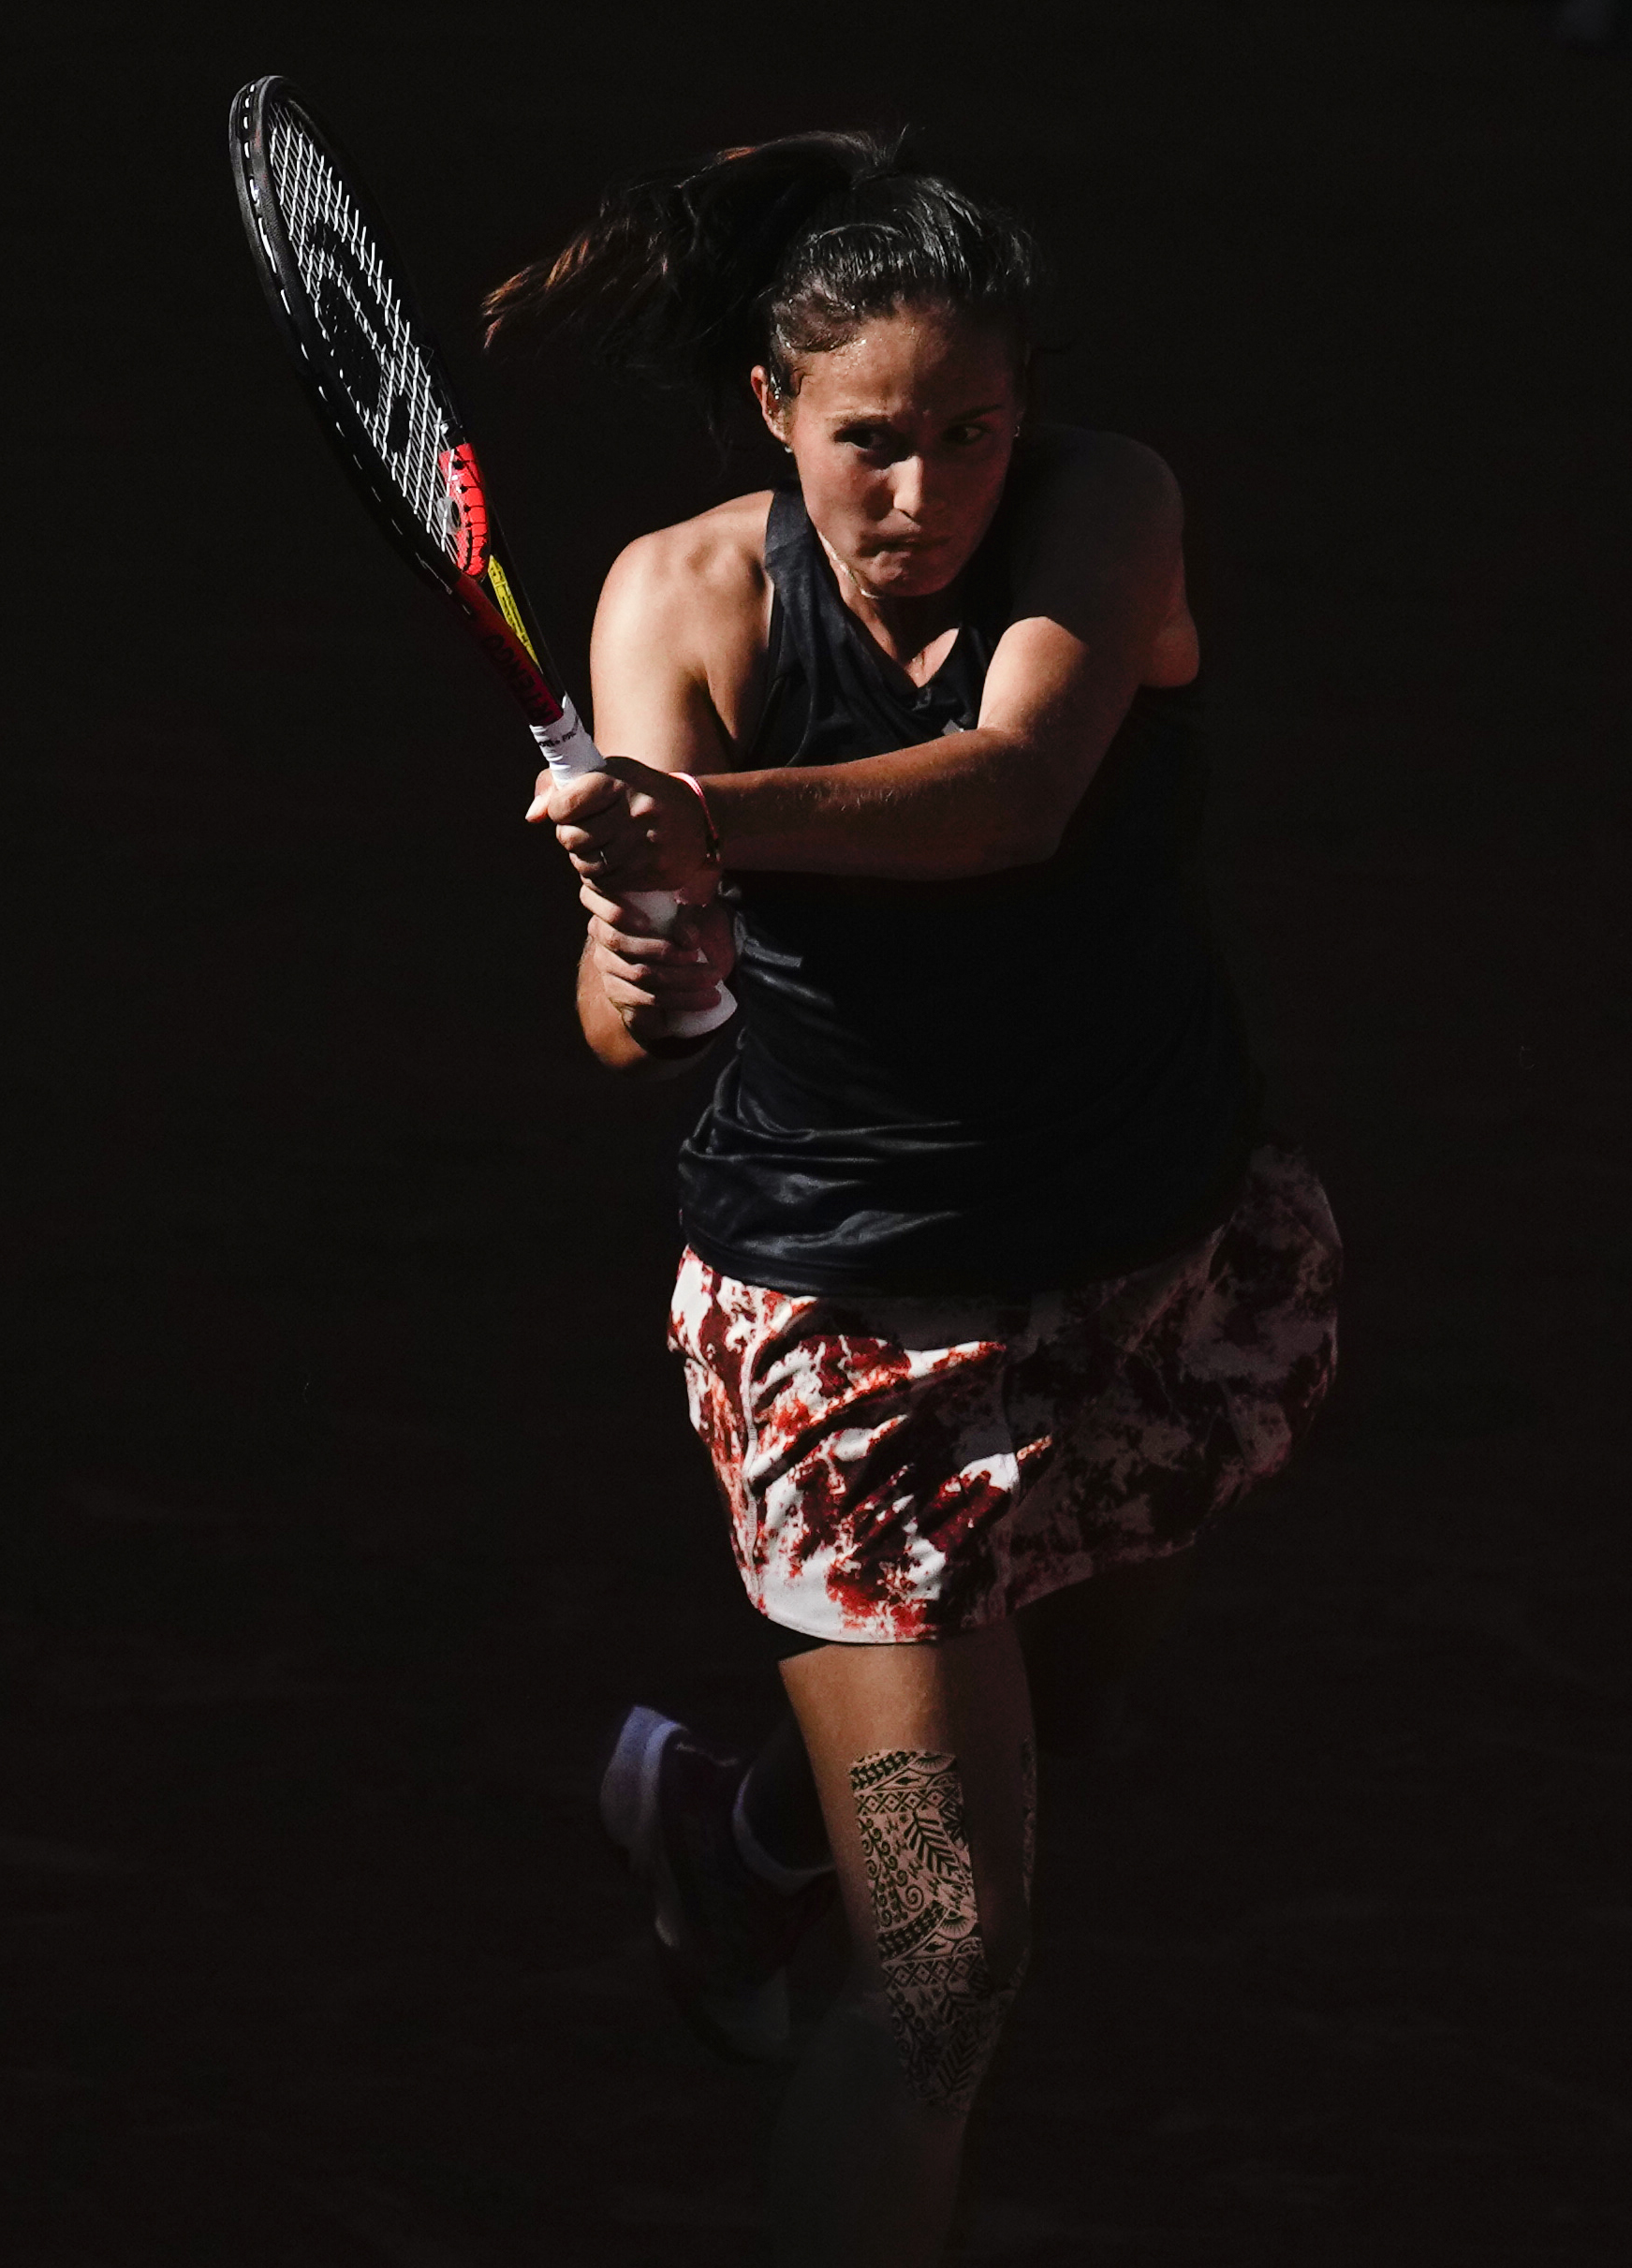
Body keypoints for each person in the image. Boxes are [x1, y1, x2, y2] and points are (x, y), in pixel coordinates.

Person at [492, 132, 1342, 2264]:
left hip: (1161, 1263)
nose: (924, 491)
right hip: (853, 1340)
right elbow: (647, 1039)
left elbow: (1014, 791)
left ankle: (735, 1822)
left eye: (969, 429)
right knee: (946, 1963)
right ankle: (772, 1869)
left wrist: (694, 820)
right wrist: (639, 949)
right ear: (772, 416)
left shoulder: (1105, 504)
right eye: (869, 439)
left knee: (1057, 1716)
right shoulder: (674, 605)